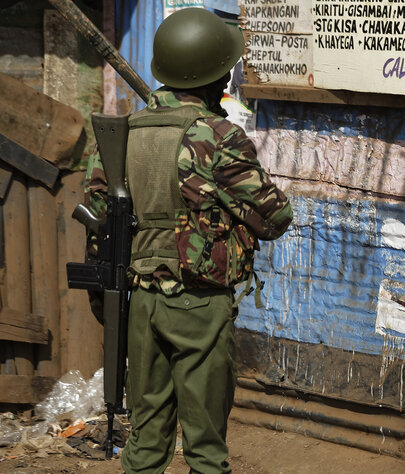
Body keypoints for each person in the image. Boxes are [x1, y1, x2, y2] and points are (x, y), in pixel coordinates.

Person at [84, 8, 293, 473]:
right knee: (205, 449)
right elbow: (276, 217)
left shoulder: (121, 135)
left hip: (139, 303)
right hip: (198, 305)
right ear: (216, 75)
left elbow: (97, 224)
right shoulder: (219, 138)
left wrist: (105, 304)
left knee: (144, 445)